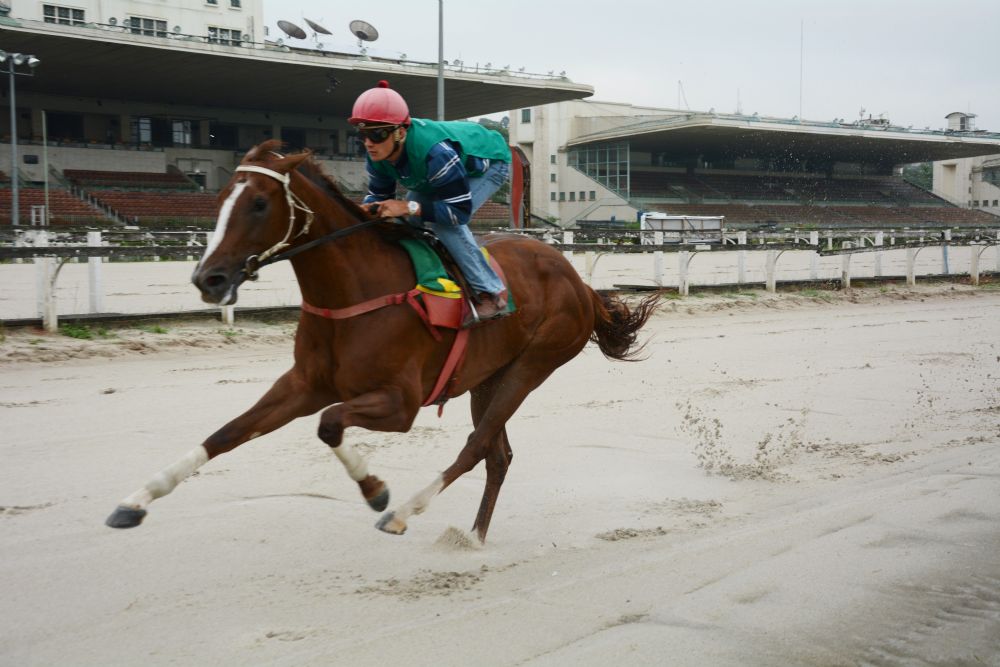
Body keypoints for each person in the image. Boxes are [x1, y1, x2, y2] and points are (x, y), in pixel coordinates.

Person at [349, 80, 511, 325]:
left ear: (400, 133)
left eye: (377, 134)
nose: (369, 143)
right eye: (363, 135)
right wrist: (363, 211)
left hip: (489, 165)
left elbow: (459, 213)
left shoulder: (437, 153)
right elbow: (378, 198)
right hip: (437, 175)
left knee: (444, 224)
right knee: (408, 220)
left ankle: (489, 292)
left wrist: (409, 206)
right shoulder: (376, 156)